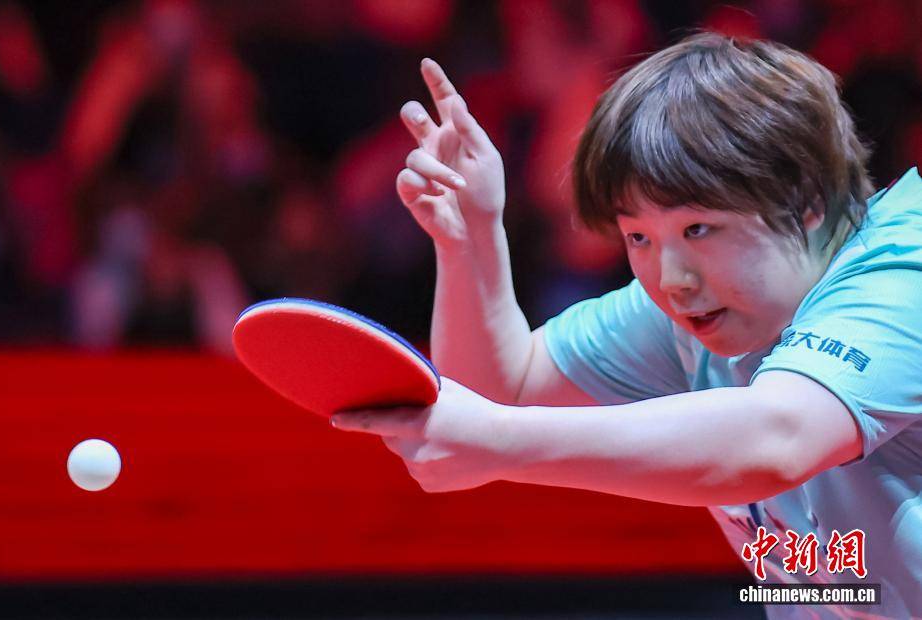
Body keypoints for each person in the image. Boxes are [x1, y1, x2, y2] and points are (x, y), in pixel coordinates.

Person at [330, 32, 922, 617]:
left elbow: (777, 440)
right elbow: (500, 390)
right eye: (638, 236)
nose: (671, 279)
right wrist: (470, 241)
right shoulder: (694, 310)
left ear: (807, 200)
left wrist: (499, 443)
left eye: (698, 229)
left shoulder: (904, 272)